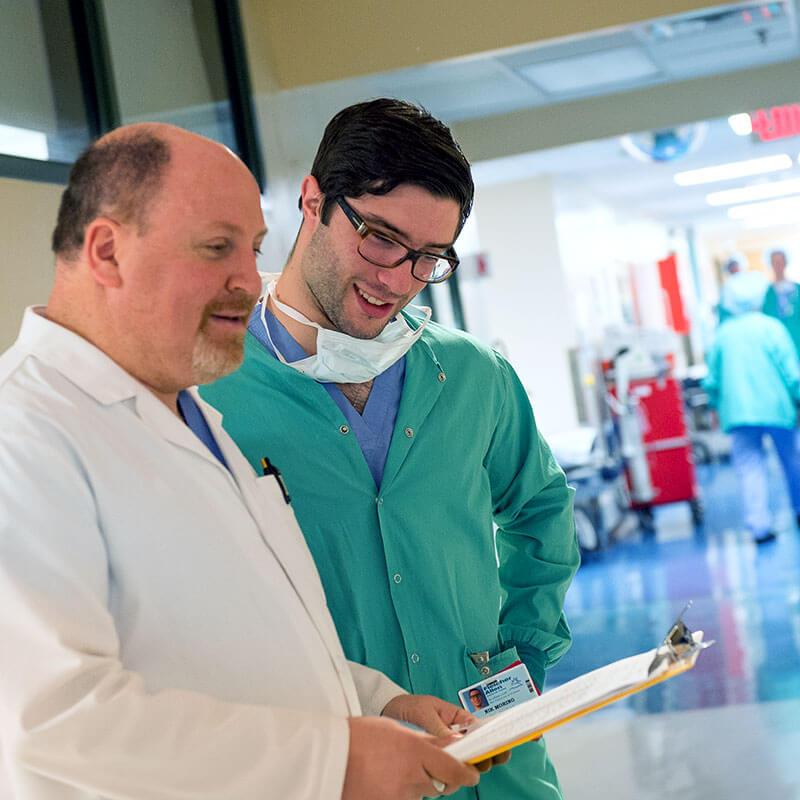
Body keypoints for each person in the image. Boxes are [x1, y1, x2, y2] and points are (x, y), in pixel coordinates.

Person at [0, 123, 487, 800]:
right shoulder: (21, 435)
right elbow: (50, 719)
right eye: (216, 248)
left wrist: (374, 701)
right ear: (107, 251)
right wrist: (333, 759)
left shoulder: (190, 412)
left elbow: (254, 638)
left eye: (253, 247)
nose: (246, 277)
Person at [201, 98, 580, 800]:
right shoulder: (209, 394)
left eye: (429, 258)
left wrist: (518, 661)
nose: (398, 279)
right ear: (312, 200)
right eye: (380, 237)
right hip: (338, 767)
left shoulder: (472, 376)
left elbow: (542, 513)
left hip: (494, 764)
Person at [703, 271, 800, 544]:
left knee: (749, 467)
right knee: (792, 461)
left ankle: (759, 527)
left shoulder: (723, 335)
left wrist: (713, 406)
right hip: (778, 410)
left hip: (738, 413)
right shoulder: (771, 328)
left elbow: (712, 378)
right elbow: (791, 372)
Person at [763, 248, 800, 359]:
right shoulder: (768, 292)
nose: (778, 265)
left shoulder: (797, 288)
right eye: (775, 262)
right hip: (778, 337)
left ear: (786, 263)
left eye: (780, 261)